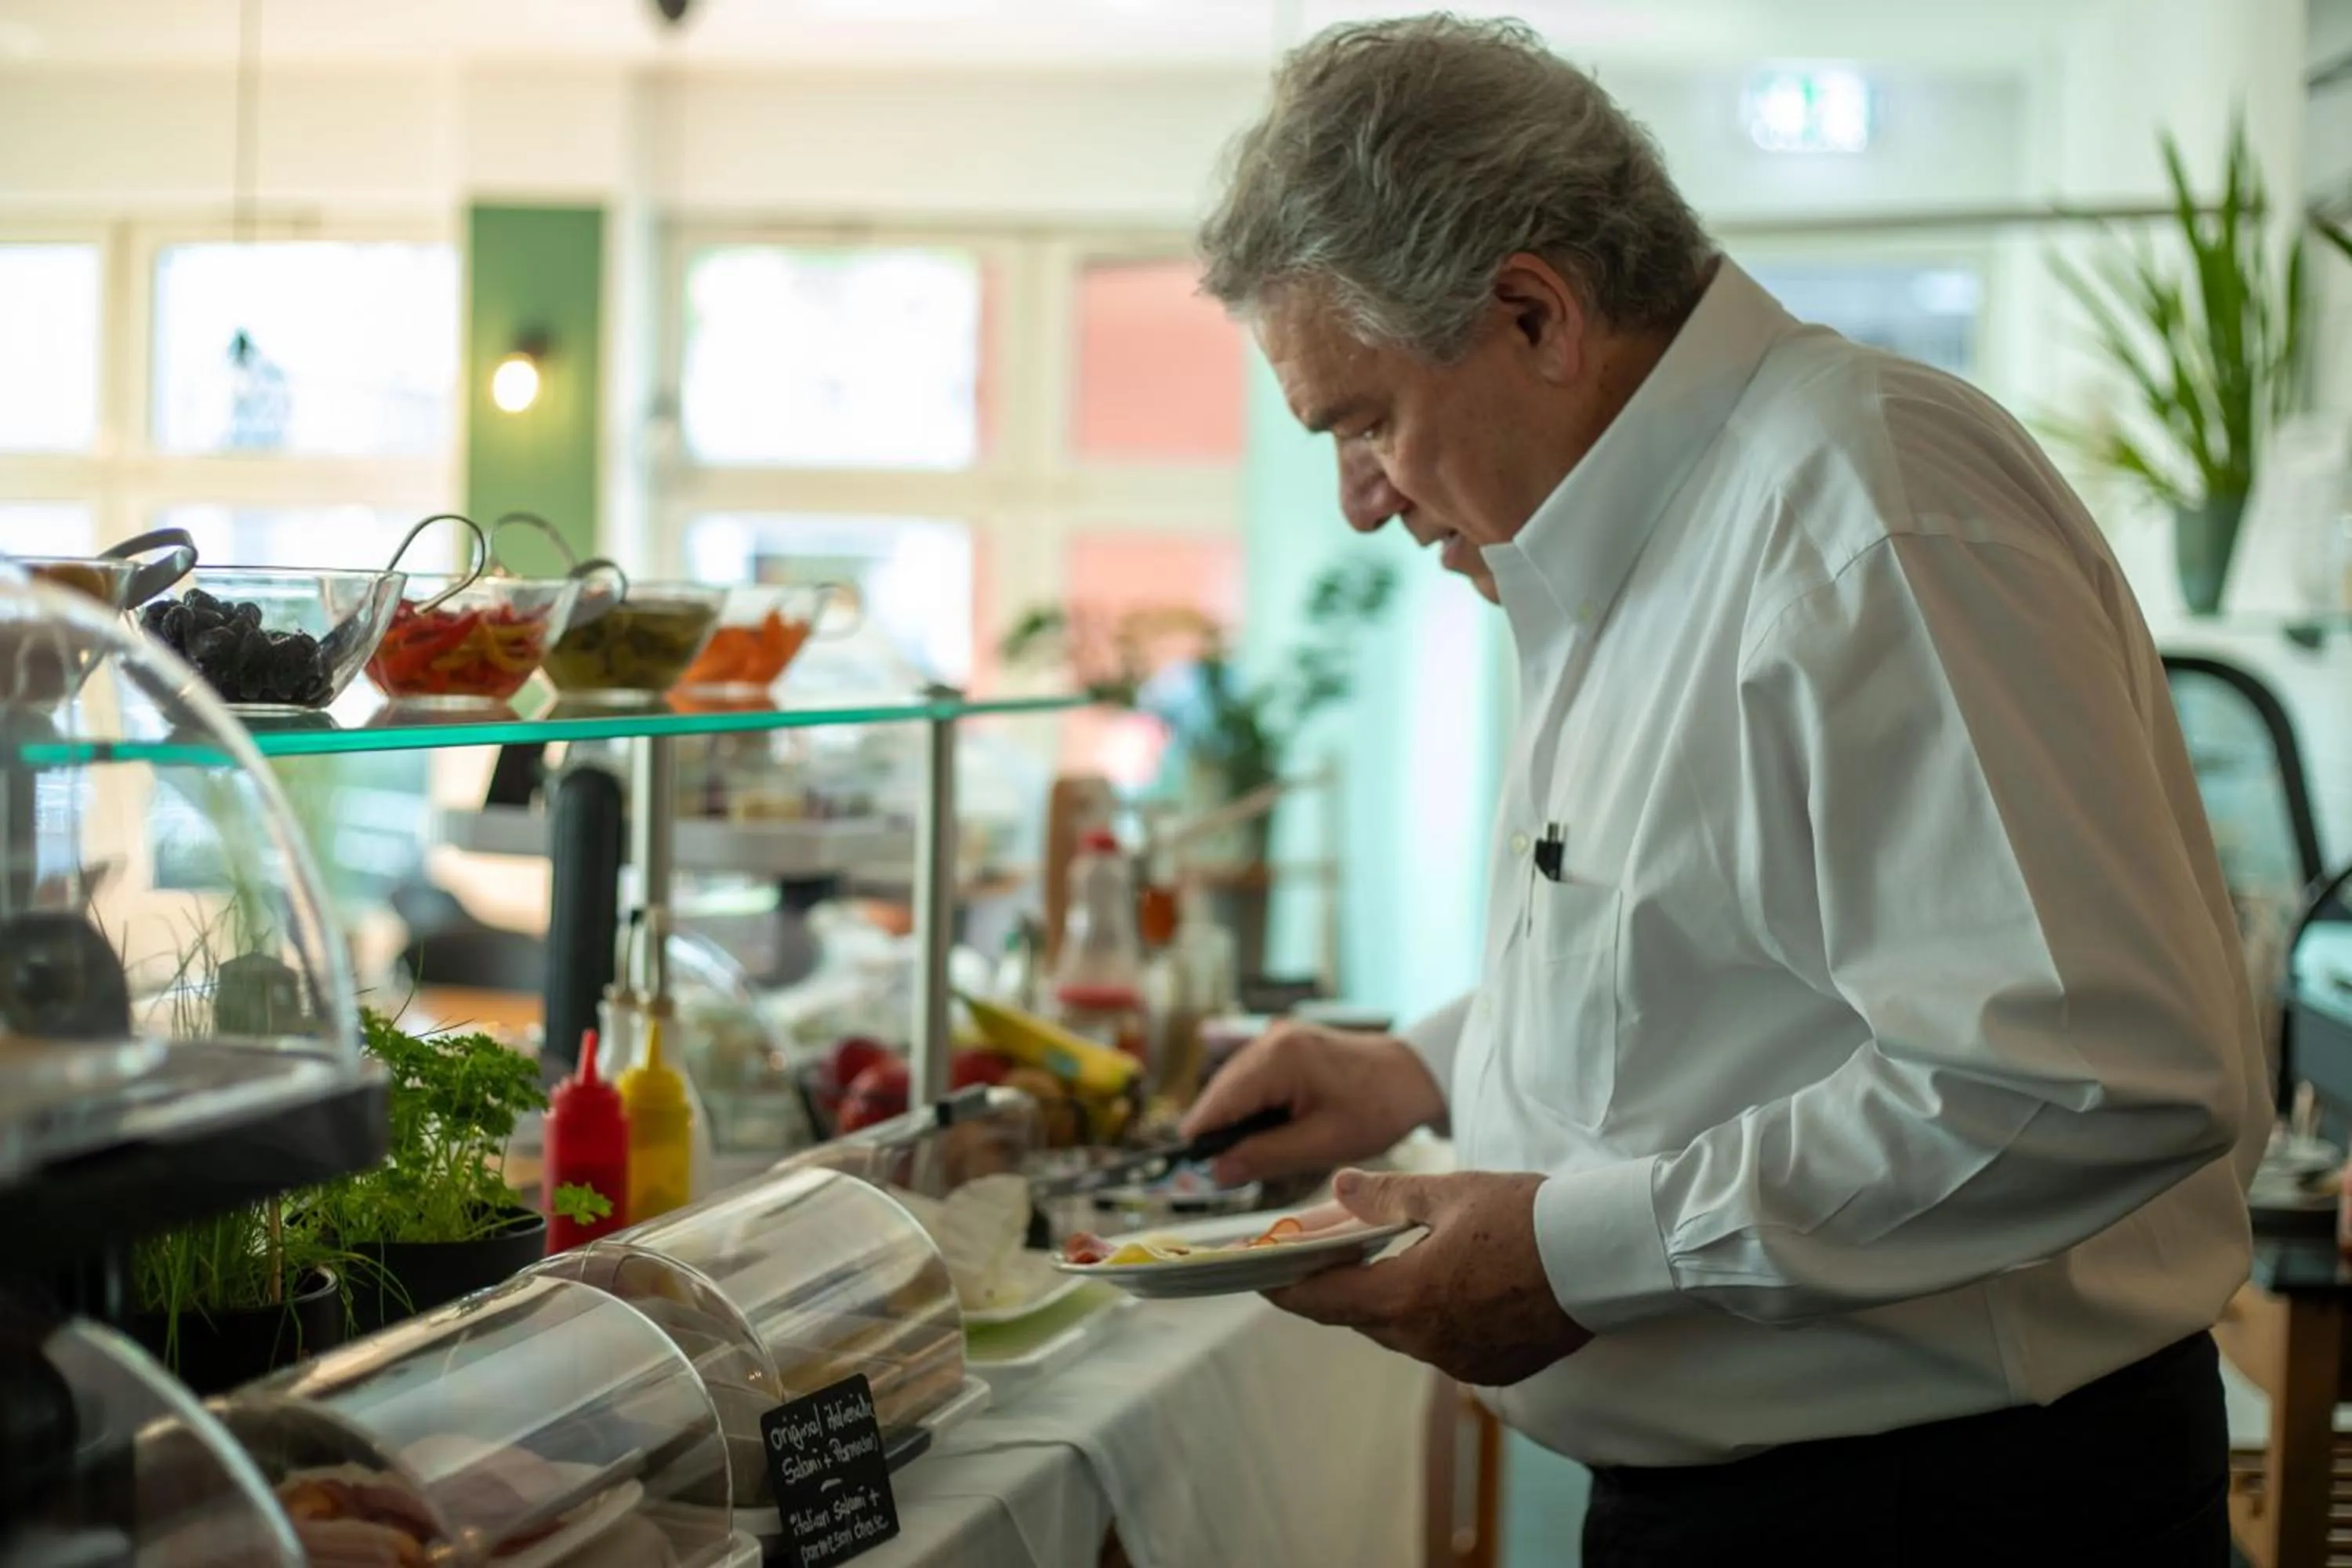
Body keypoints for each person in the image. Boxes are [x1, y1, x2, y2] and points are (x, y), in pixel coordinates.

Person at [1181, 16, 2267, 1565]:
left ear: (1535, 313)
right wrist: (1421, 1067)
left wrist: (1569, 1254)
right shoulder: (1641, 535)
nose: (1361, 498)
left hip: (1942, 1517)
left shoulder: (1871, 508)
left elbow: (2082, 1073)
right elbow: (1725, 968)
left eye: (1364, 419)